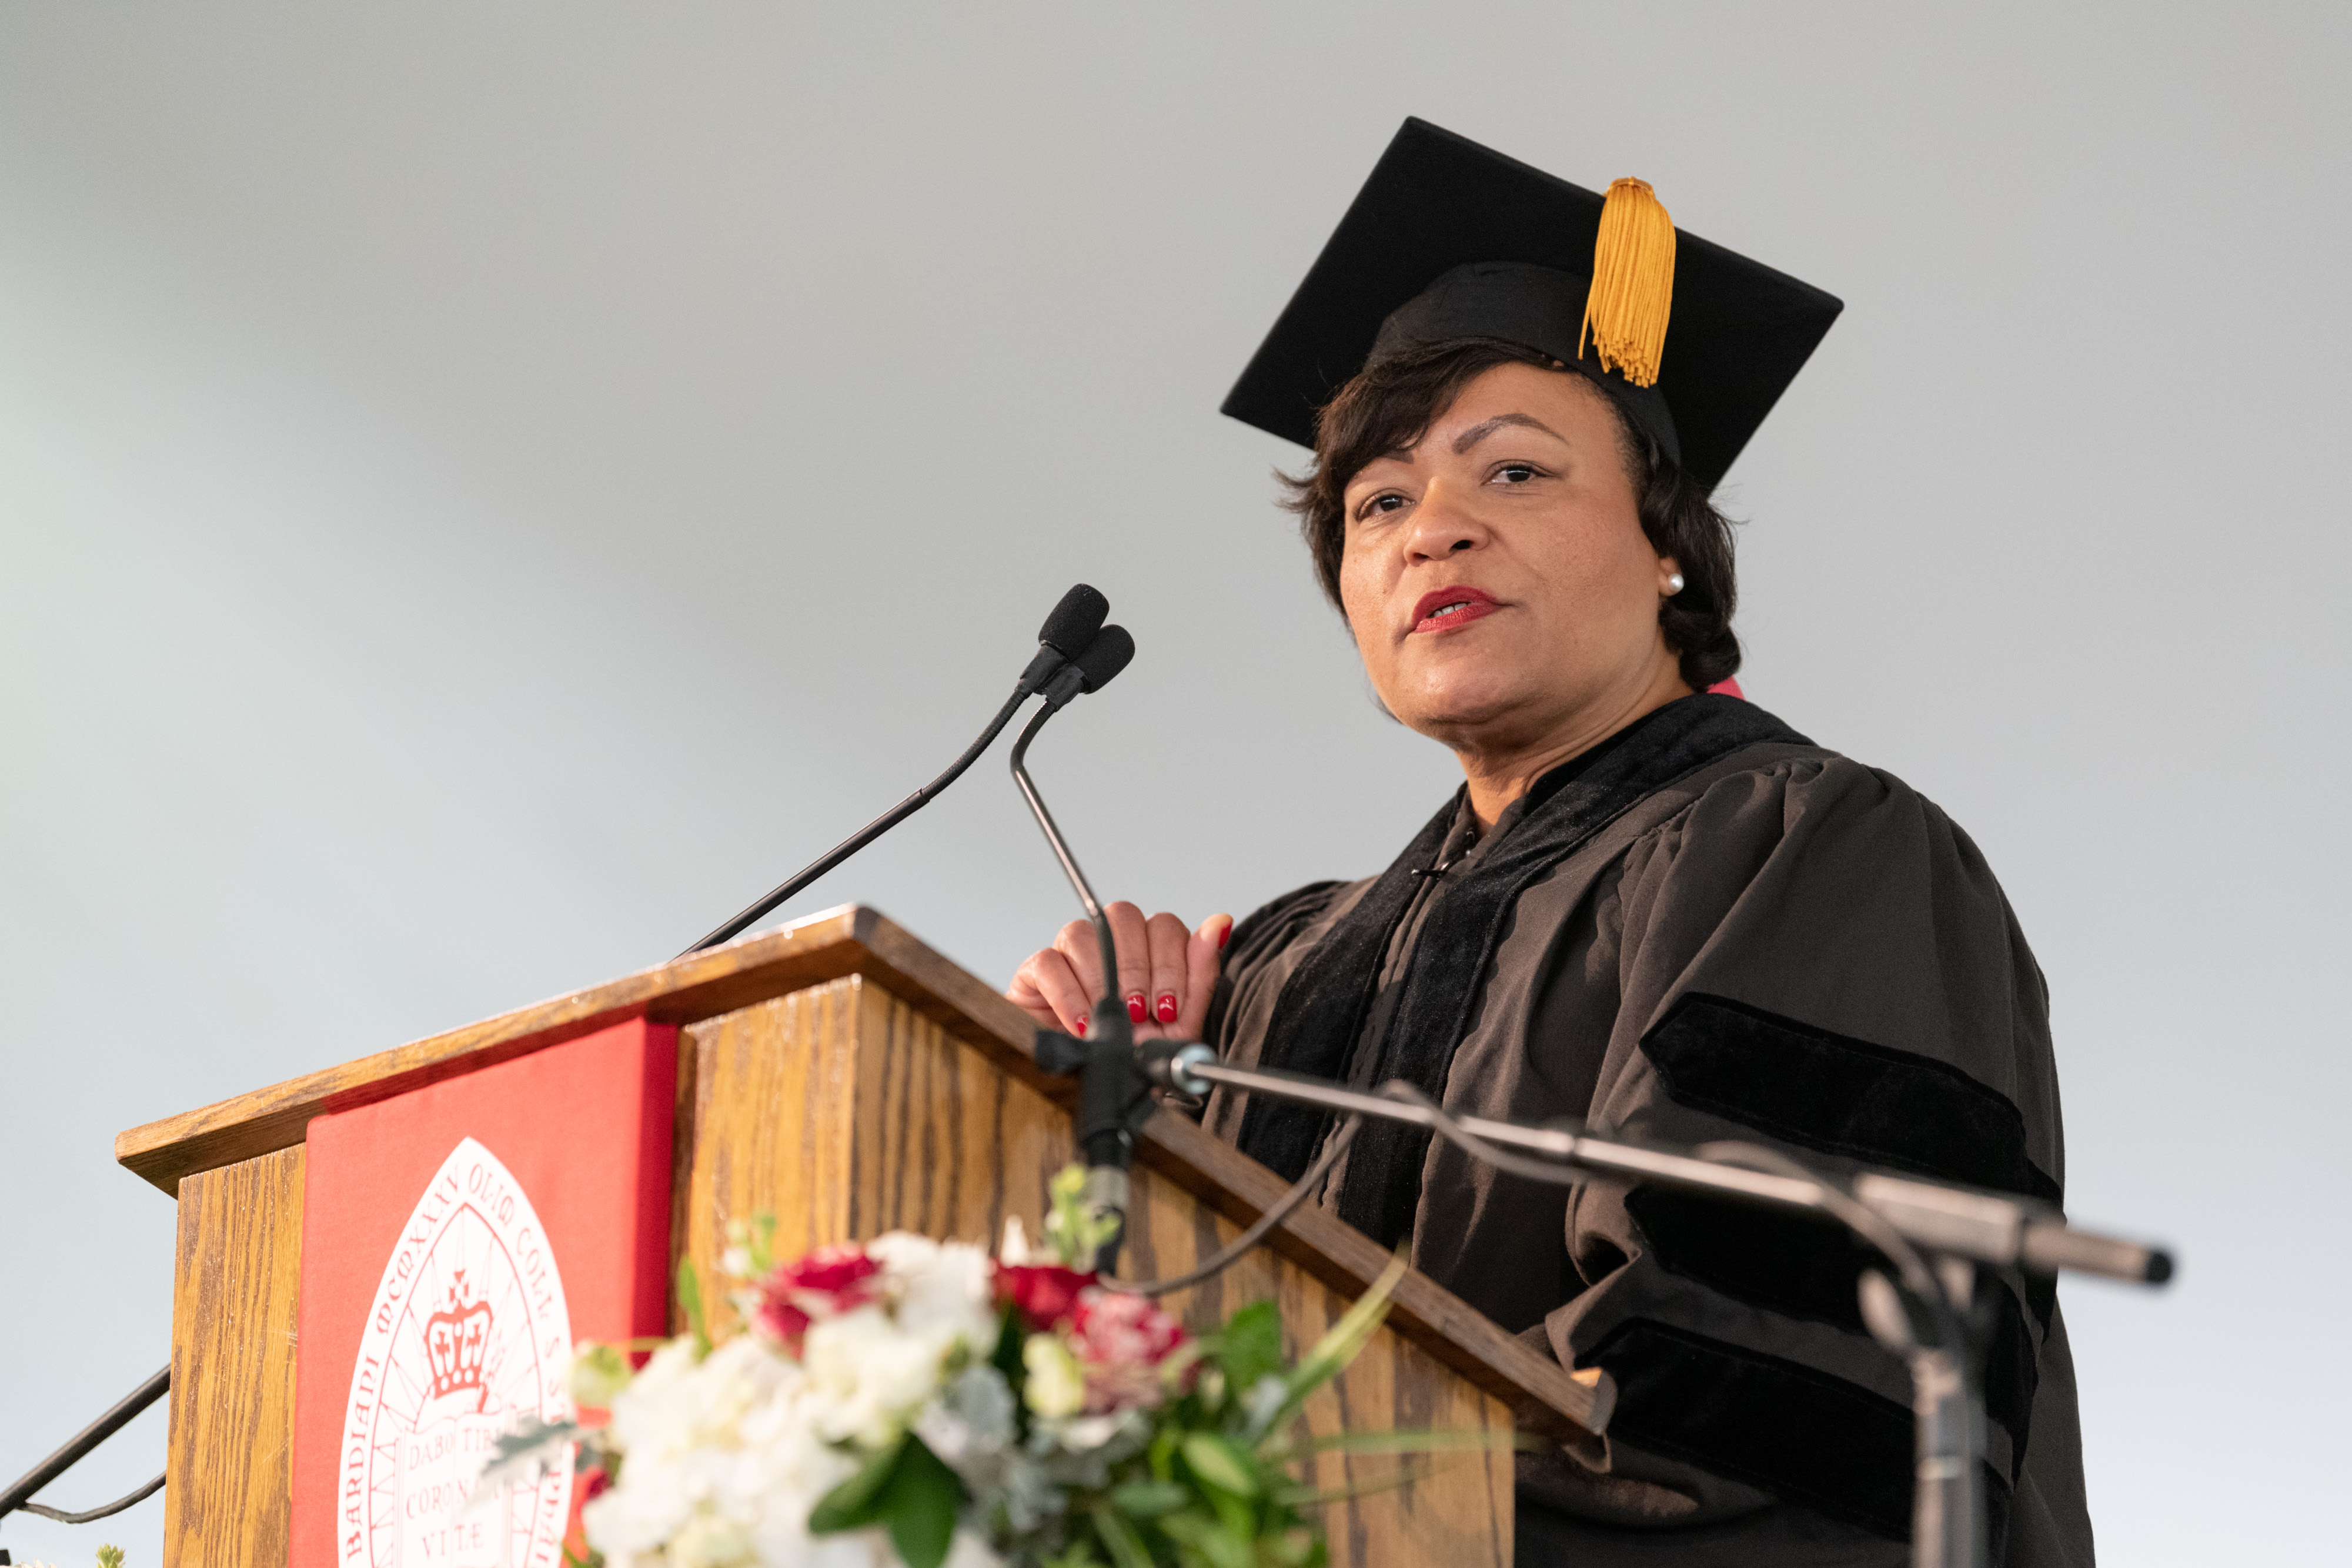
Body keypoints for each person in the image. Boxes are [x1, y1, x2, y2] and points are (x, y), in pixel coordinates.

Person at [1007, 119, 2090, 1568]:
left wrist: (1254, 1504)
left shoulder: (1818, 851)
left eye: (1509, 472)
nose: (1427, 528)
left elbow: (1767, 1398)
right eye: (1375, 503)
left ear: (1664, 543)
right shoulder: (1272, 966)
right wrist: (1080, 1126)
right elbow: (1115, 1360)